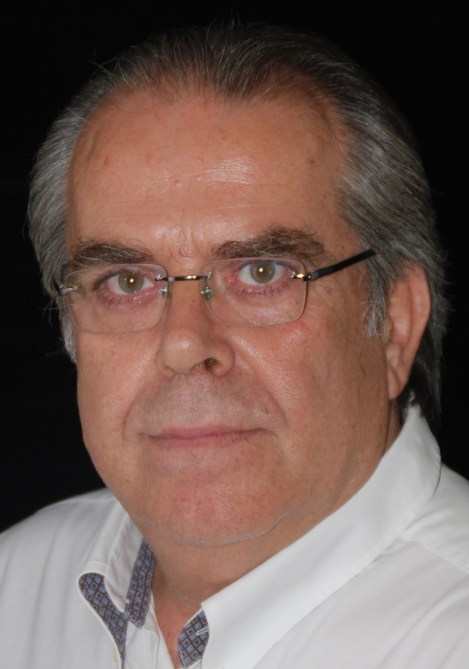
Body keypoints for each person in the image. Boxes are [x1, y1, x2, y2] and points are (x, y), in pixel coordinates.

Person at [1, 22, 468, 668]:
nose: (184, 344)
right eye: (127, 281)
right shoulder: (15, 587)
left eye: (261, 272)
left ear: (394, 321)